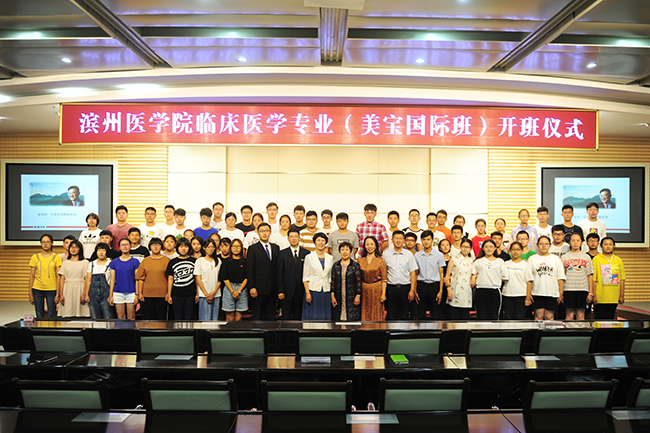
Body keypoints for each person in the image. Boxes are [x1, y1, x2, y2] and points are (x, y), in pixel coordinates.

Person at [526, 236, 566, 321]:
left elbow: (560, 278)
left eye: (546, 244)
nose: (543, 246)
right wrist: (528, 295)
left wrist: (560, 293)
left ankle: (549, 331)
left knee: (549, 317)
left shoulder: (556, 259)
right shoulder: (532, 259)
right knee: (538, 317)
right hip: (537, 293)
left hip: (552, 293)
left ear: (550, 245)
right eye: (541, 244)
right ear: (537, 245)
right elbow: (529, 279)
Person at [246, 222, 280, 320]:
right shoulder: (252, 249)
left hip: (272, 289)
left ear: (270, 232)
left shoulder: (275, 248)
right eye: (262, 231)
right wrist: (252, 287)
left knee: (271, 317)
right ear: (258, 233)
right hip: (258, 289)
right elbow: (249, 269)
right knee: (258, 317)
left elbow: (277, 269)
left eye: (267, 231)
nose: (264, 233)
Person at [383, 230, 418, 321]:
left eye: (400, 238)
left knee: (404, 314)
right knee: (391, 315)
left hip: (405, 288)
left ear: (404, 241)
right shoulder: (386, 255)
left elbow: (412, 273)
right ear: (392, 240)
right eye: (396, 238)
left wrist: (412, 290)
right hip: (391, 288)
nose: (398, 240)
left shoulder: (409, 255)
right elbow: (384, 273)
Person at [277, 228, 310, 320]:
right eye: (291, 237)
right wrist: (280, 291)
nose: (294, 239)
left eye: (296, 236)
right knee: (286, 317)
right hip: (286, 291)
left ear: (299, 238)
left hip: (301, 291)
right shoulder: (282, 254)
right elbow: (279, 274)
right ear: (288, 239)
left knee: (299, 317)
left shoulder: (306, 253)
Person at [471, 239, 508, 321]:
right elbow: (473, 274)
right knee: (481, 316)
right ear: (483, 248)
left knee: (493, 316)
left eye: (491, 247)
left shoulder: (500, 261)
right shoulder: (478, 261)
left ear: (495, 248)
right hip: (480, 291)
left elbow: (504, 277)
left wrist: (494, 277)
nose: (489, 249)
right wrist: (474, 277)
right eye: (486, 247)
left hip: (494, 291)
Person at [135, 237, 170, 320]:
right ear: (150, 247)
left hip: (162, 294)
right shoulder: (145, 261)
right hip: (147, 295)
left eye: (158, 245)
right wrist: (140, 293)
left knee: (161, 318)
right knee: (148, 318)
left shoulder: (167, 260)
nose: (155, 247)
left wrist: (168, 293)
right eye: (153, 245)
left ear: (161, 247)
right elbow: (141, 279)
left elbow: (170, 279)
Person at [414, 230, 446, 320]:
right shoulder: (417, 256)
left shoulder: (439, 255)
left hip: (434, 286)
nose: (426, 242)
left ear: (432, 240)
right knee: (420, 313)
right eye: (424, 239)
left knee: (435, 312)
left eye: (428, 239)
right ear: (421, 241)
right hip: (421, 286)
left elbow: (441, 274)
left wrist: (440, 291)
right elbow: (415, 274)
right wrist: (415, 290)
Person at [562, 233, 594, 321]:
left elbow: (590, 276)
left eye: (578, 241)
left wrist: (590, 293)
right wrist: (561, 292)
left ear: (581, 243)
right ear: (569, 242)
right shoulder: (564, 257)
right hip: (568, 290)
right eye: (573, 241)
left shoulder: (586, 257)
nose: (575, 243)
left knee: (581, 316)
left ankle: (580, 330)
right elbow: (561, 277)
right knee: (569, 316)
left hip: (582, 290)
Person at [302, 232, 334, 321]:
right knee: (313, 316)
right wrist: (307, 293)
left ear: (325, 243)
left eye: (323, 240)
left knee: (324, 316)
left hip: (326, 291)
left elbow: (330, 277)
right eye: (318, 240)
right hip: (313, 291)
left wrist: (332, 294)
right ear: (315, 242)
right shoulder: (309, 257)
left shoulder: (330, 258)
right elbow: (305, 277)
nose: (320, 243)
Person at [29, 234, 62, 318]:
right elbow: (32, 276)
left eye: (48, 242)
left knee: (52, 314)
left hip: (52, 289)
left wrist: (58, 294)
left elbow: (58, 277)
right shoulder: (35, 257)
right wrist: (30, 293)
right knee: (39, 314)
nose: (45, 244)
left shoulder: (56, 257)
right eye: (43, 242)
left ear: (52, 243)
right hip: (37, 288)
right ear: (41, 243)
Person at [593, 237, 626, 319]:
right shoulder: (596, 259)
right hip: (600, 297)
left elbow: (622, 279)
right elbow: (593, 279)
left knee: (610, 320)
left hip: (613, 297)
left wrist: (621, 295)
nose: (608, 246)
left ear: (613, 246)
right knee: (599, 320)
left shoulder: (618, 260)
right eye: (605, 244)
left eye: (610, 244)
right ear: (601, 246)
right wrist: (594, 295)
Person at [165, 237, 197, 321]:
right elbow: (170, 279)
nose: (183, 249)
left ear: (189, 248)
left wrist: (197, 293)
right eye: (181, 246)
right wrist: (169, 294)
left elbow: (197, 278)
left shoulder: (195, 261)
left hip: (190, 294)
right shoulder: (172, 262)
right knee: (178, 318)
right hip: (176, 294)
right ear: (177, 248)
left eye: (186, 246)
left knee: (189, 318)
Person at [108, 238, 140, 320]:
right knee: (120, 317)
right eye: (122, 245)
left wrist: (137, 294)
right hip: (118, 292)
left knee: (131, 317)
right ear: (119, 247)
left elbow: (137, 279)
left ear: (130, 246)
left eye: (127, 245)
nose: (125, 247)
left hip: (131, 292)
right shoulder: (114, 262)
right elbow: (112, 280)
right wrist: (111, 295)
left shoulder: (135, 261)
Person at [358, 236, 387, 321]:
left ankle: (378, 328)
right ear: (364, 246)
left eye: (372, 244)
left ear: (376, 246)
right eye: (367, 244)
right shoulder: (360, 260)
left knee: (376, 311)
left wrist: (383, 294)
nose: (369, 246)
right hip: (364, 289)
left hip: (377, 289)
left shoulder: (381, 260)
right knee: (364, 311)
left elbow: (384, 279)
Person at [331, 242, 362, 322]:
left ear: (350, 251)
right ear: (339, 251)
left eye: (347, 250)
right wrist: (332, 296)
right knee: (338, 317)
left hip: (352, 296)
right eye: (342, 250)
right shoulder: (336, 265)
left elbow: (359, 282)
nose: (345, 252)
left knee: (352, 318)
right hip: (339, 295)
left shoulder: (355, 265)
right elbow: (333, 282)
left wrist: (358, 295)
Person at [58, 240, 90, 317]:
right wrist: (61, 295)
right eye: (71, 247)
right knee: (68, 313)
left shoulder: (85, 262)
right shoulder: (65, 263)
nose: (73, 249)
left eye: (76, 247)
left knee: (80, 314)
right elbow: (62, 280)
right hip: (67, 289)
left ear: (80, 249)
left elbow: (87, 280)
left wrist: (84, 294)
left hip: (80, 288)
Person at [444, 238, 474, 320]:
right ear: (460, 247)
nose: (465, 249)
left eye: (467, 247)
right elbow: (447, 276)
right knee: (454, 319)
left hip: (466, 293)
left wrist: (474, 278)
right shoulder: (453, 259)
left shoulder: (472, 261)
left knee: (464, 319)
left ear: (471, 249)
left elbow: (474, 274)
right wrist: (449, 290)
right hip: (454, 292)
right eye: (463, 246)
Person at [83, 242, 113, 319]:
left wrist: (111, 295)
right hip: (93, 294)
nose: (101, 252)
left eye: (103, 250)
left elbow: (112, 281)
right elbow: (88, 280)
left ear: (107, 252)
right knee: (95, 317)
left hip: (106, 294)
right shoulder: (91, 264)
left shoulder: (111, 263)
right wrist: (86, 294)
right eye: (99, 250)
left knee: (108, 316)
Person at [195, 239, 222, 321]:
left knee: (215, 320)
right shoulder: (199, 261)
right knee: (205, 320)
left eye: (212, 247)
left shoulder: (218, 261)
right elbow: (198, 279)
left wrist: (213, 292)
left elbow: (220, 279)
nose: (210, 249)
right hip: (204, 295)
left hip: (216, 294)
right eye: (208, 247)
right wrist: (206, 294)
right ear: (204, 248)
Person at [221, 238, 248, 321]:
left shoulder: (245, 262)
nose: (236, 248)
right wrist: (233, 291)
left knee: (238, 318)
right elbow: (224, 278)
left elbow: (247, 277)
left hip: (242, 289)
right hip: (229, 288)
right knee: (230, 317)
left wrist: (238, 291)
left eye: (238, 246)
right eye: (234, 246)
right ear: (231, 248)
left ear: (241, 248)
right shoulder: (226, 261)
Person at [502, 242, 528, 320]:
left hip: (521, 294)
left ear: (522, 251)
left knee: (519, 318)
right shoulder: (505, 264)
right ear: (510, 251)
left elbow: (529, 282)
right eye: (513, 249)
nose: (515, 252)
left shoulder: (526, 265)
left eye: (518, 249)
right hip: (507, 294)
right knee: (508, 318)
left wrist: (528, 297)